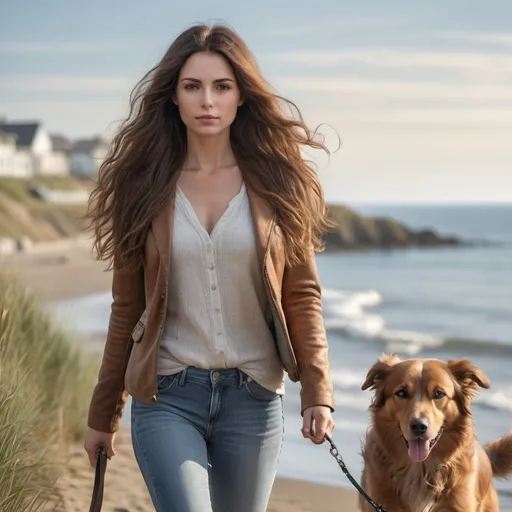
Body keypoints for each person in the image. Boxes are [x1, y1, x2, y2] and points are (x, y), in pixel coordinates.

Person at [84, 22, 336, 512]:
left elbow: (302, 295)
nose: (207, 101)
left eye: (222, 87)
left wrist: (317, 390)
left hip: (255, 397)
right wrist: (103, 415)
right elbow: (126, 310)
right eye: (192, 86)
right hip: (167, 396)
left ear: (242, 96)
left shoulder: (278, 182)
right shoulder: (144, 186)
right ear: (173, 96)